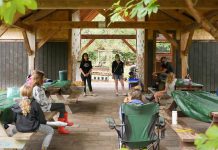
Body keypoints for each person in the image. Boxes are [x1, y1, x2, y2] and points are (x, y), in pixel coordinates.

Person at [11, 84, 54, 150]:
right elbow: (41, 118)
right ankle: (44, 148)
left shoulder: (16, 105)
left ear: (21, 93)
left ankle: (19, 147)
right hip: (33, 127)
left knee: (13, 131)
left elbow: (13, 119)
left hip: (20, 128)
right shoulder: (34, 104)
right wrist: (43, 123)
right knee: (50, 130)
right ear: (31, 94)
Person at [31, 70, 73, 134]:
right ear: (39, 79)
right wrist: (49, 101)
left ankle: (63, 123)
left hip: (45, 106)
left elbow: (42, 97)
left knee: (61, 106)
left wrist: (46, 93)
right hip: (44, 107)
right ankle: (61, 128)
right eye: (43, 78)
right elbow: (41, 102)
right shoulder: (37, 89)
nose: (44, 79)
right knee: (61, 106)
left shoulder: (39, 87)